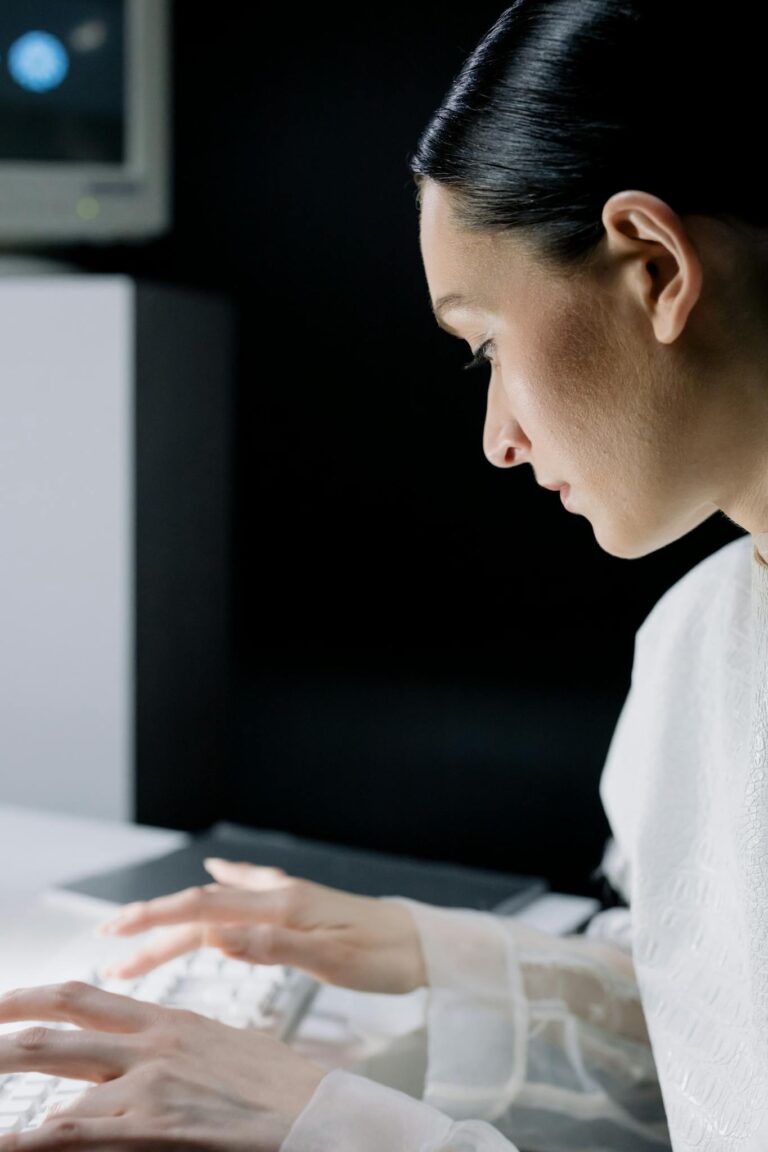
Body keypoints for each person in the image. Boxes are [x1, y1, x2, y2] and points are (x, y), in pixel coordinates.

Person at [0, 0, 767, 1147]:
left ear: (655, 266)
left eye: (488, 344)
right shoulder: (700, 635)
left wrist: (328, 1123)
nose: (498, 436)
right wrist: (420, 950)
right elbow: (710, 1040)